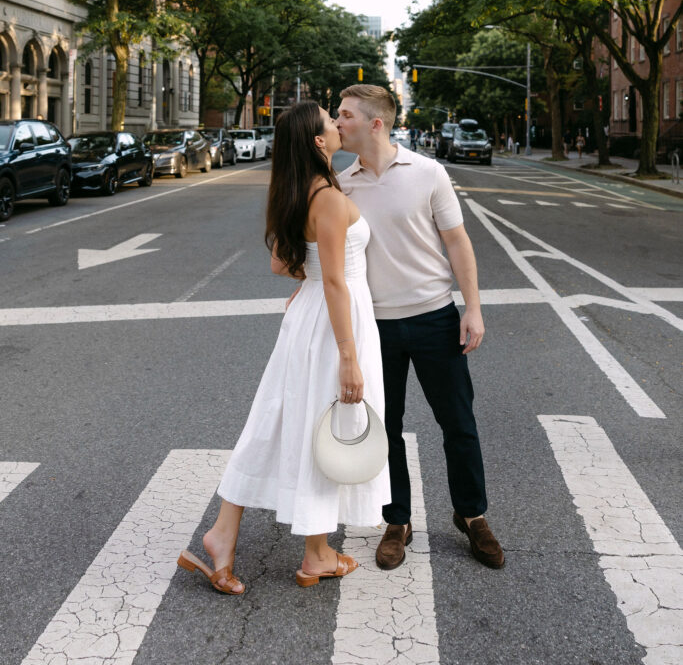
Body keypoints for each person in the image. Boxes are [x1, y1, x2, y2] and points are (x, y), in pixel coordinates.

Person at [177, 101, 390, 593]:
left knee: (279, 421)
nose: (338, 125)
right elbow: (336, 282)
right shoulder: (331, 199)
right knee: (324, 427)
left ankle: (223, 535)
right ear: (319, 142)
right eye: (330, 121)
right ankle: (315, 554)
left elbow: (283, 266)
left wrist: (309, 280)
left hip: (307, 319)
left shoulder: (299, 190)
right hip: (335, 323)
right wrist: (349, 357)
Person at [335, 85, 504, 571]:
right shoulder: (344, 184)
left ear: (375, 124)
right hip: (376, 326)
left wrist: (472, 308)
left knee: (458, 423)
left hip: (435, 318)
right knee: (385, 428)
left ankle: (472, 515)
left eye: (345, 115)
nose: (337, 121)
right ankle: (397, 520)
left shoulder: (429, 172)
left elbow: (458, 243)